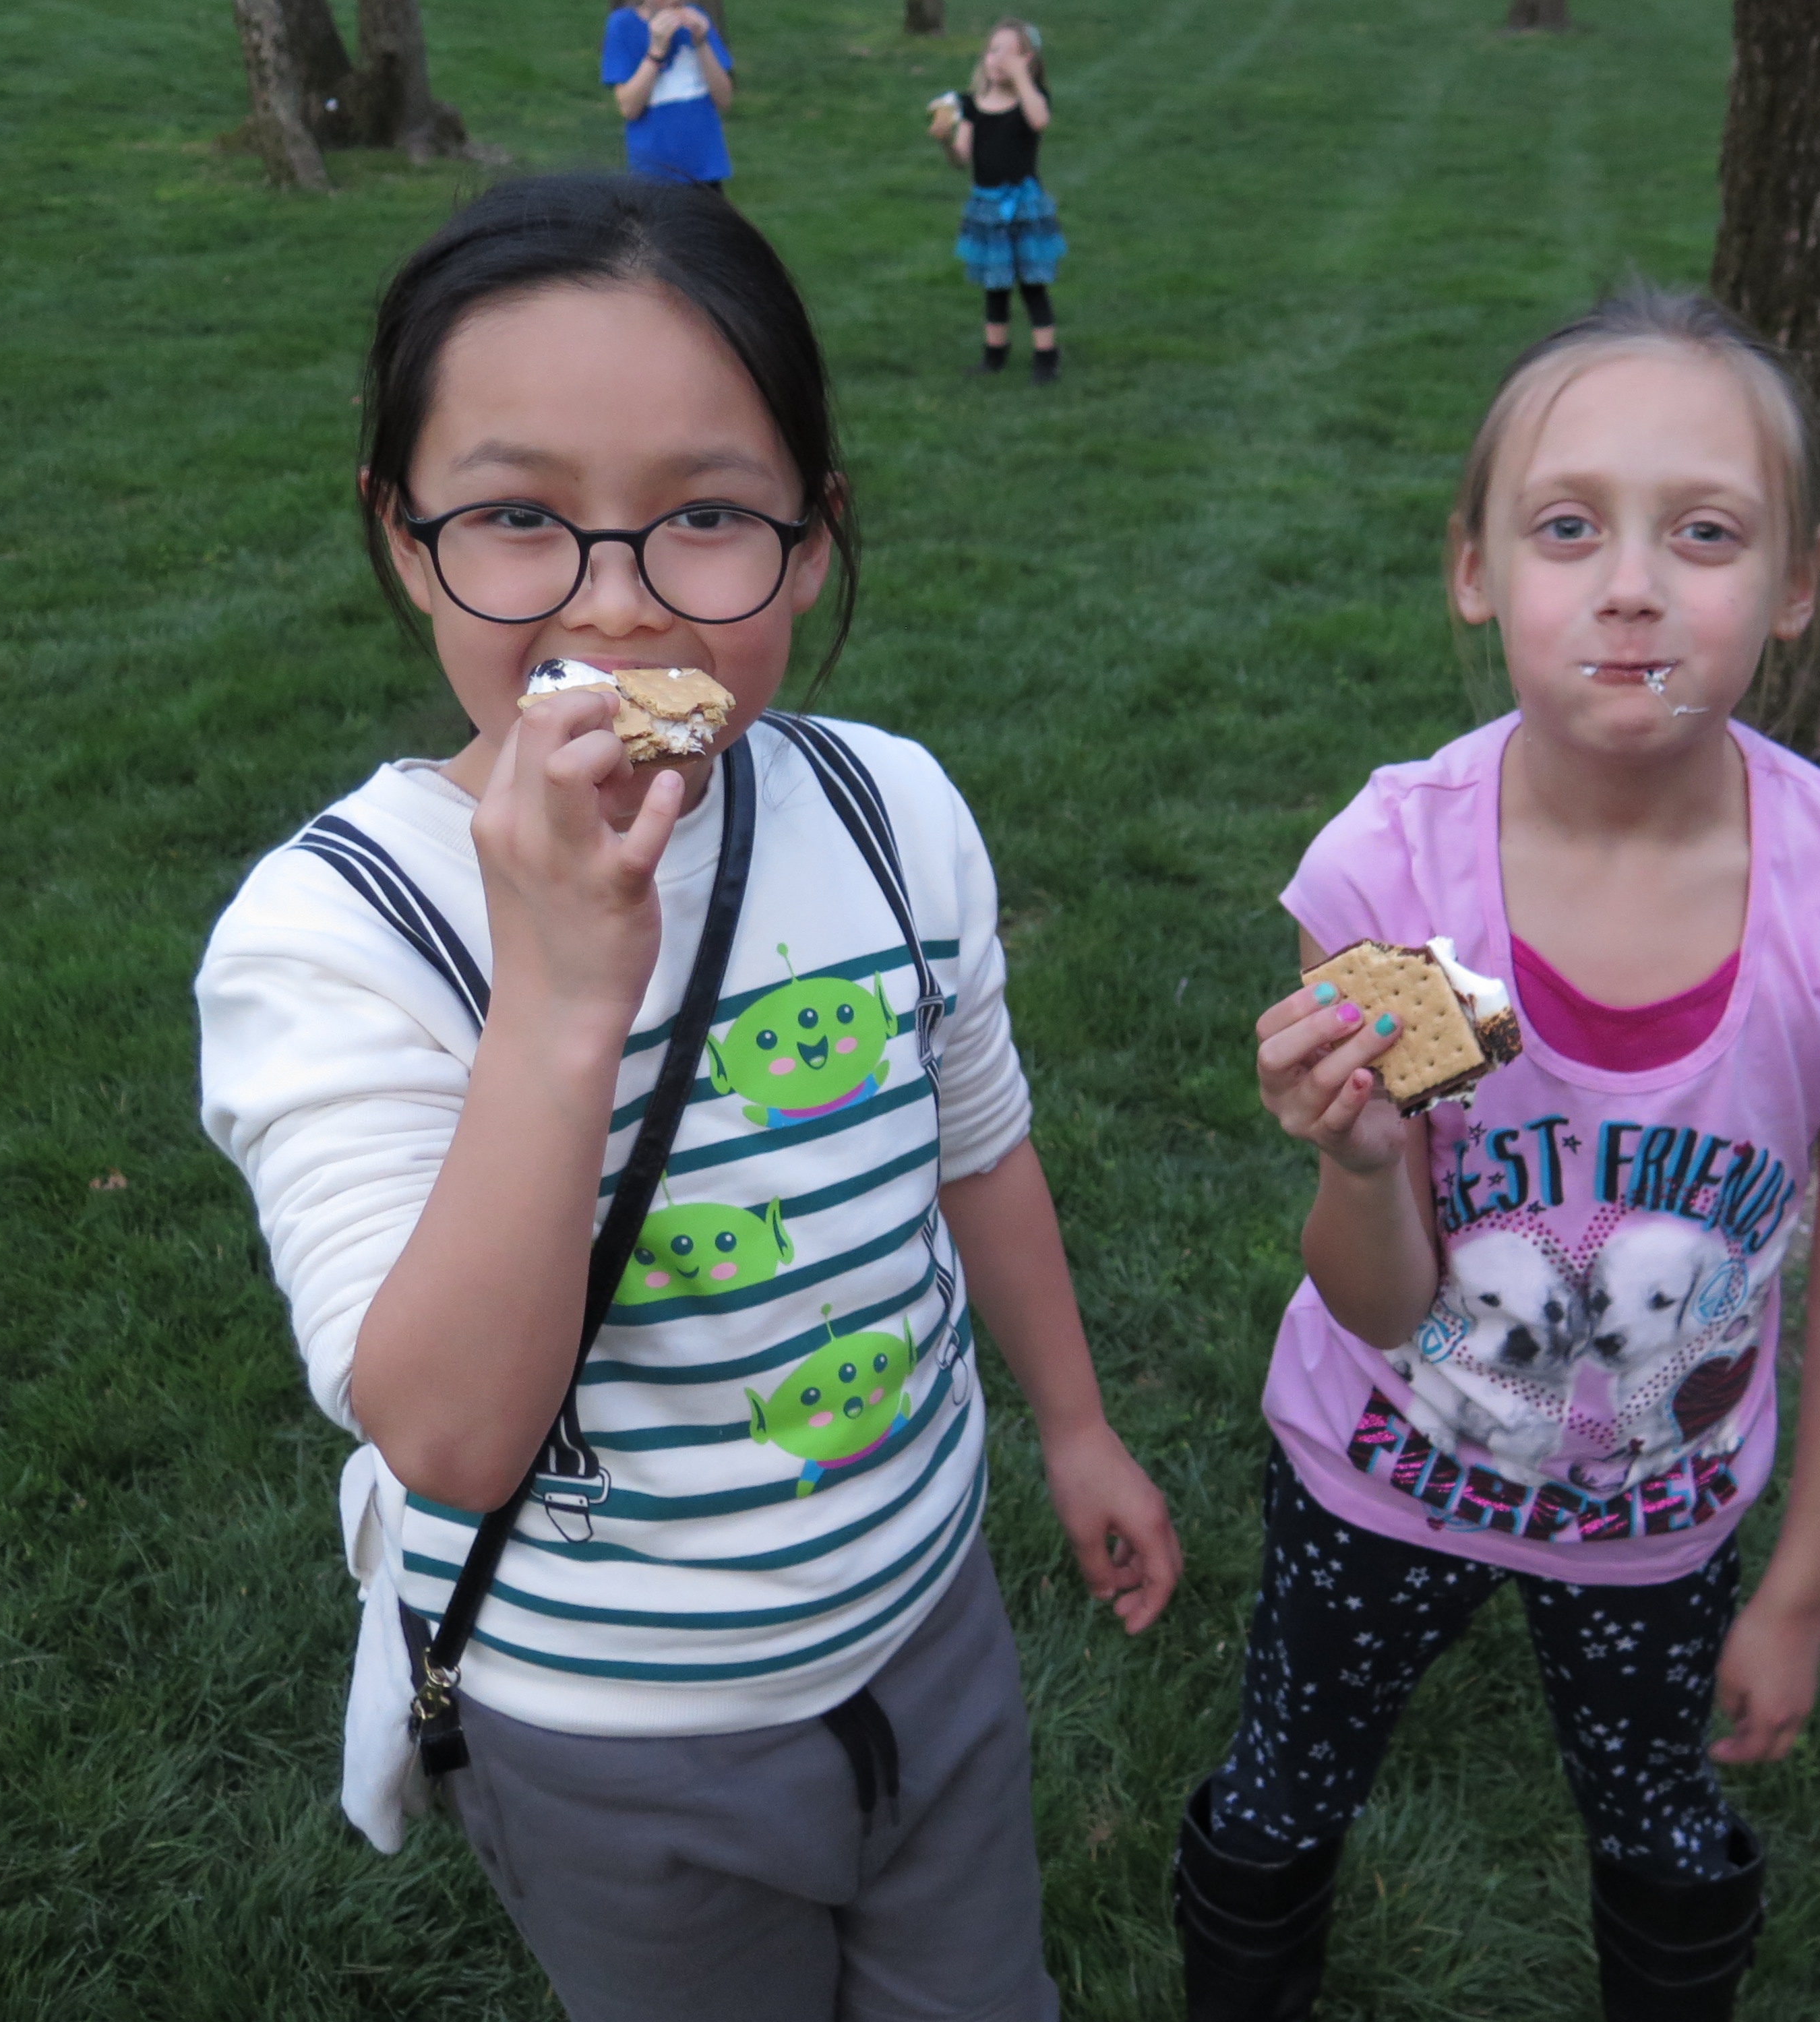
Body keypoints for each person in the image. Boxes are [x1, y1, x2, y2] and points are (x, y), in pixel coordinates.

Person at [198, 174, 1180, 2022]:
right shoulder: (340, 936)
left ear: (812, 541)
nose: (621, 600)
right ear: (403, 539)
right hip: (611, 1727)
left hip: (925, 1620)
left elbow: (977, 1149)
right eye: (517, 516)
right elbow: (450, 1435)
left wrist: (1074, 1425)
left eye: (708, 515)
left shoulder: (890, 812)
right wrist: (566, 997)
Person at [1173, 283, 1820, 2021]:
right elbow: (1377, 1298)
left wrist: (1799, 1591)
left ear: (1799, 583)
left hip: (1660, 1516)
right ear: (1473, 570)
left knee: (1660, 1829)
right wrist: (1361, 1165)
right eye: (1566, 528)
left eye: (1704, 532)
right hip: (1378, 1471)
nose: (1631, 584)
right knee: (1285, 1784)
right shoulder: (1387, 873)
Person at [927, 18, 1064, 381]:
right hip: (987, 208)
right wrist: (945, 141)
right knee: (995, 284)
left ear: (1028, 61)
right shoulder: (972, 107)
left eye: (1008, 53)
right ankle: (994, 356)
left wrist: (1022, 78)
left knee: (1032, 284)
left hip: (1024, 206)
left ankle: (1046, 358)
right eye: (992, 51)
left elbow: (1040, 121)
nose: (997, 59)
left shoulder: (1031, 101)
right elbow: (961, 158)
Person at [601, 1, 734, 191]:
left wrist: (701, 42)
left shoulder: (696, 18)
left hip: (705, 166)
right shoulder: (623, 24)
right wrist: (656, 52)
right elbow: (629, 108)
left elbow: (724, 99)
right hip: (653, 173)